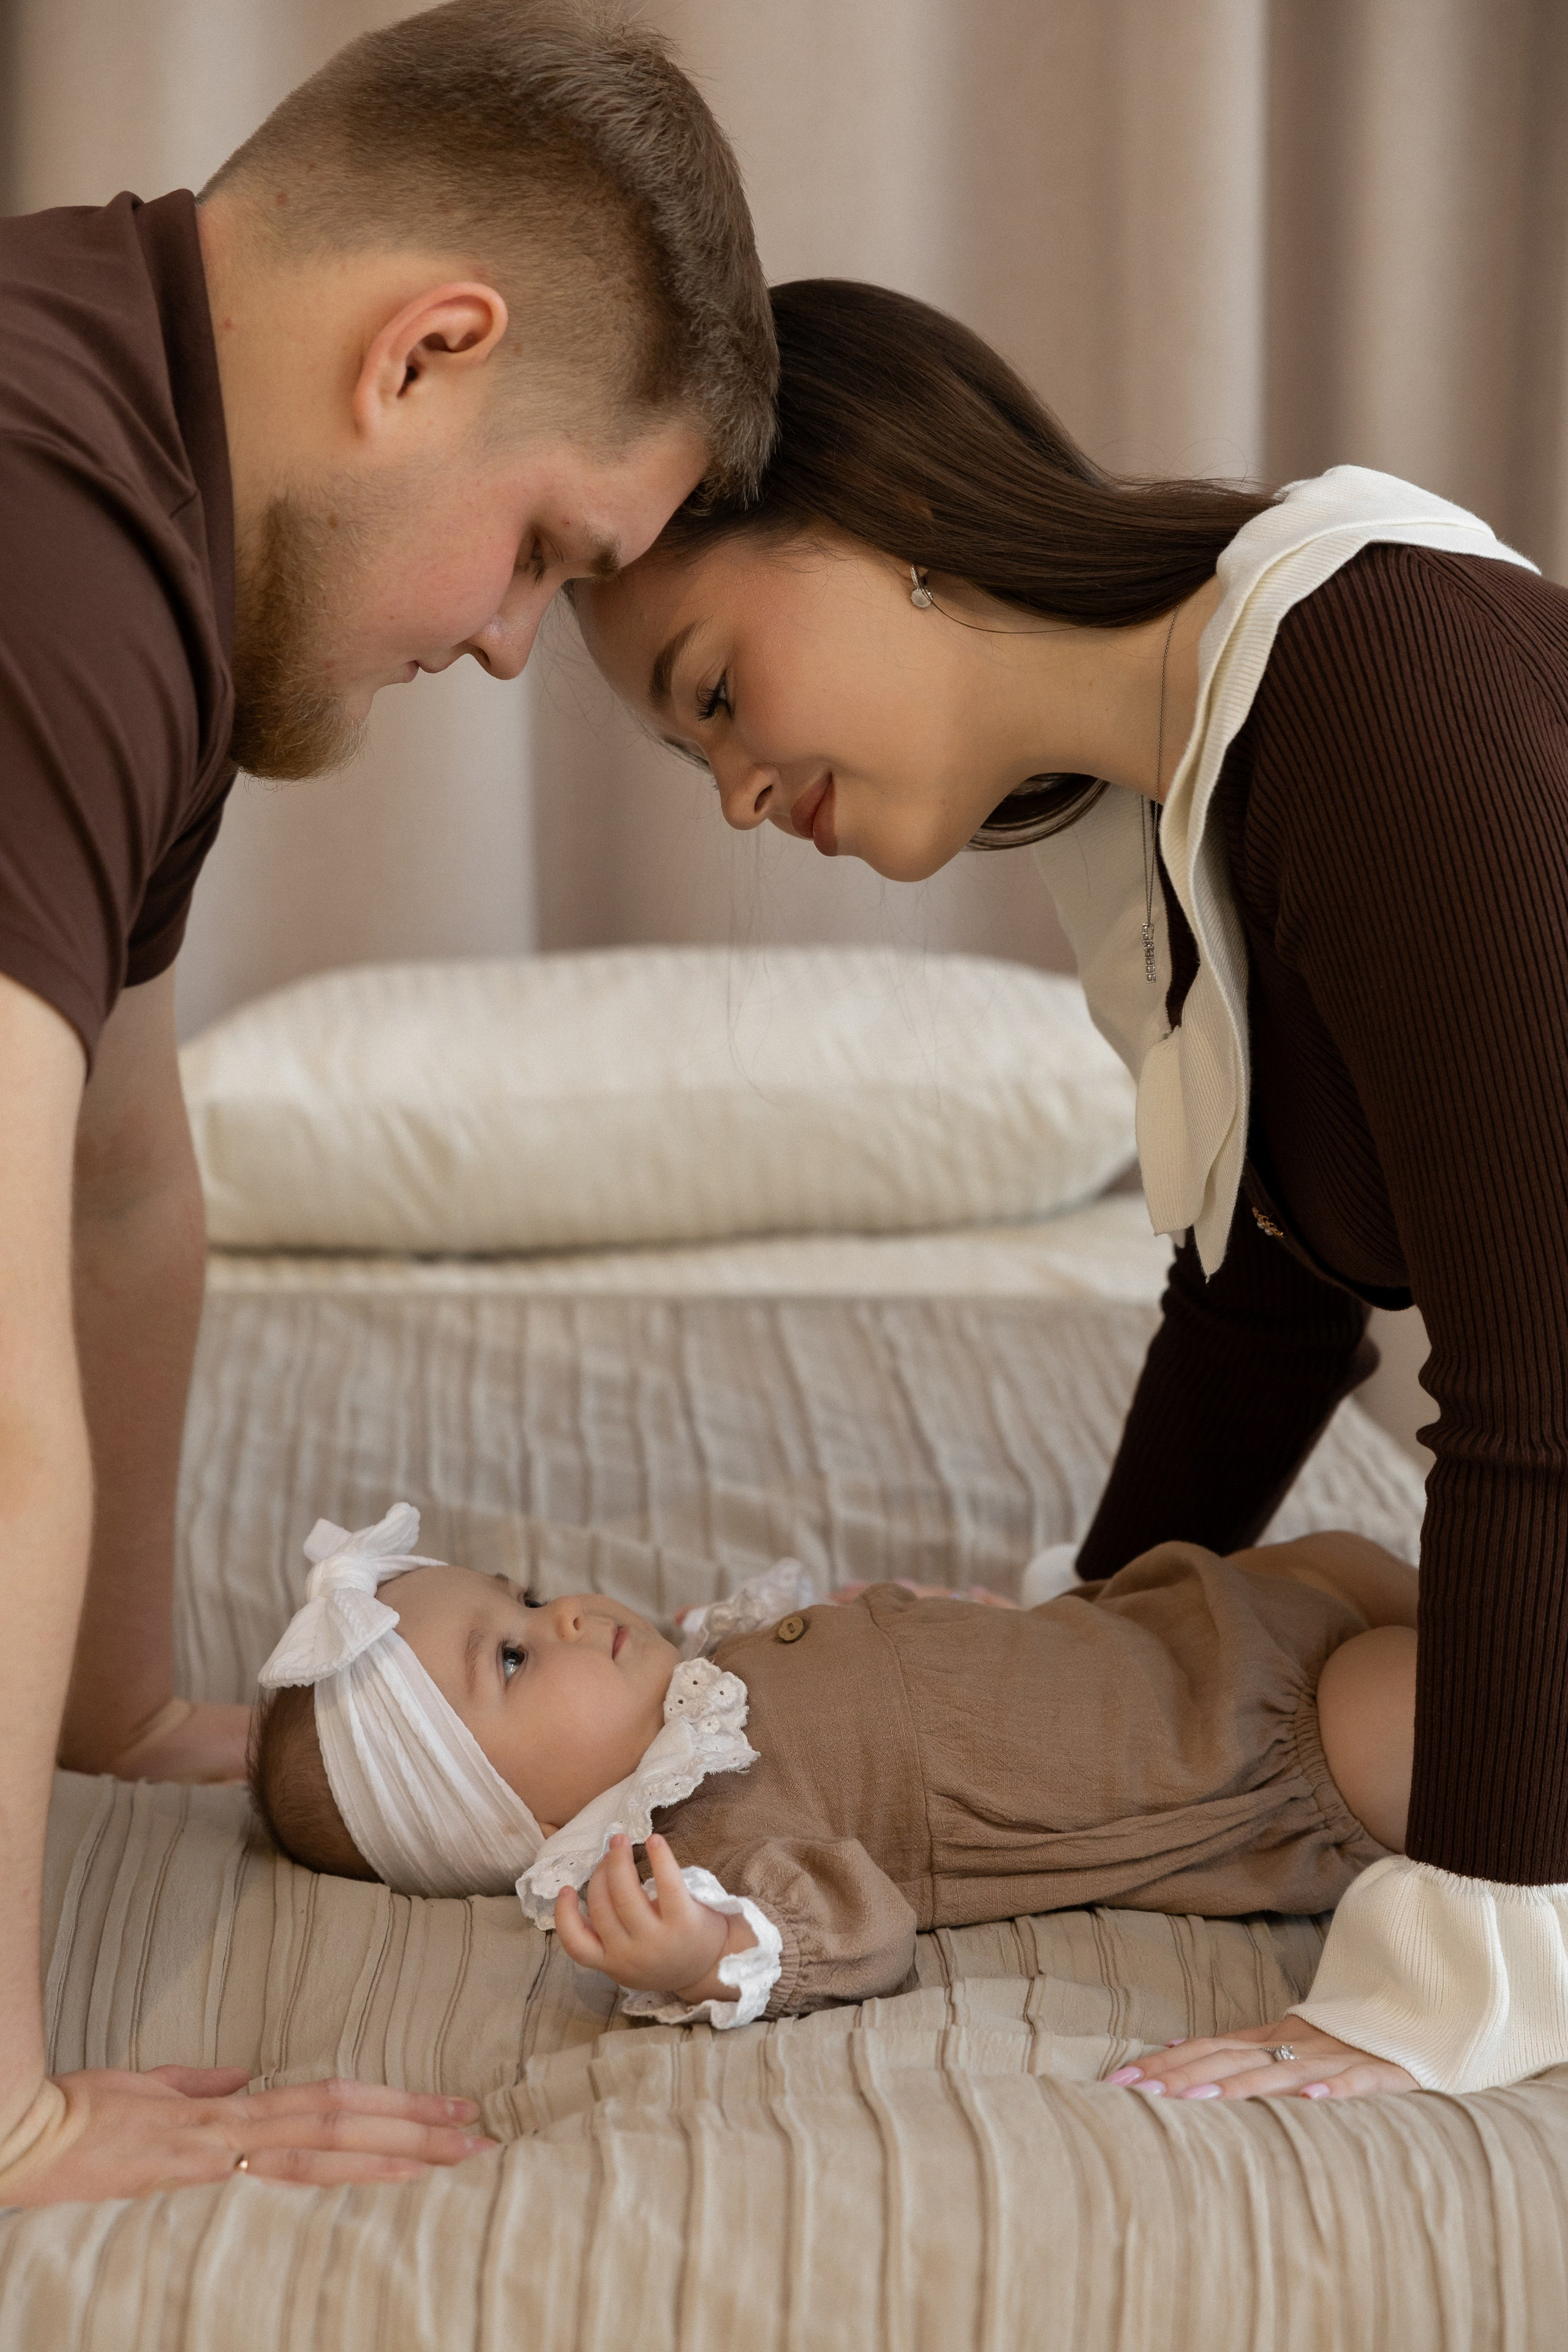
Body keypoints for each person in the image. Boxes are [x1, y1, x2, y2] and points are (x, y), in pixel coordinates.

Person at [574, 277, 1568, 2103]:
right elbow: (1263, 1300)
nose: (730, 793)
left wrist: (1461, 1964)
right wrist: (1088, 1654)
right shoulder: (1177, 807)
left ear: (899, 519)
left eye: (715, 690)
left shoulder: (1370, 680)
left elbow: (1552, 1384)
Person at [0, 0, 775, 2206]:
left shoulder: (130, 493)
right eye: (542, 544)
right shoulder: (49, 546)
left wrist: (118, 1709)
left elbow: (117, 1195)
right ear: (426, 351)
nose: (524, 646)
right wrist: (16, 2114)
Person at [247, 1507, 1418, 2052]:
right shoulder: (695, 1828)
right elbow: (862, 1930)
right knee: (1410, 1705)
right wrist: (707, 1955)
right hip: (1249, 1758)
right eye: (510, 1656)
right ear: (517, 1816)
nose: (562, 1613)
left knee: (1350, 1560)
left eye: (522, 1593)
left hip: (1183, 1624)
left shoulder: (697, 1671)